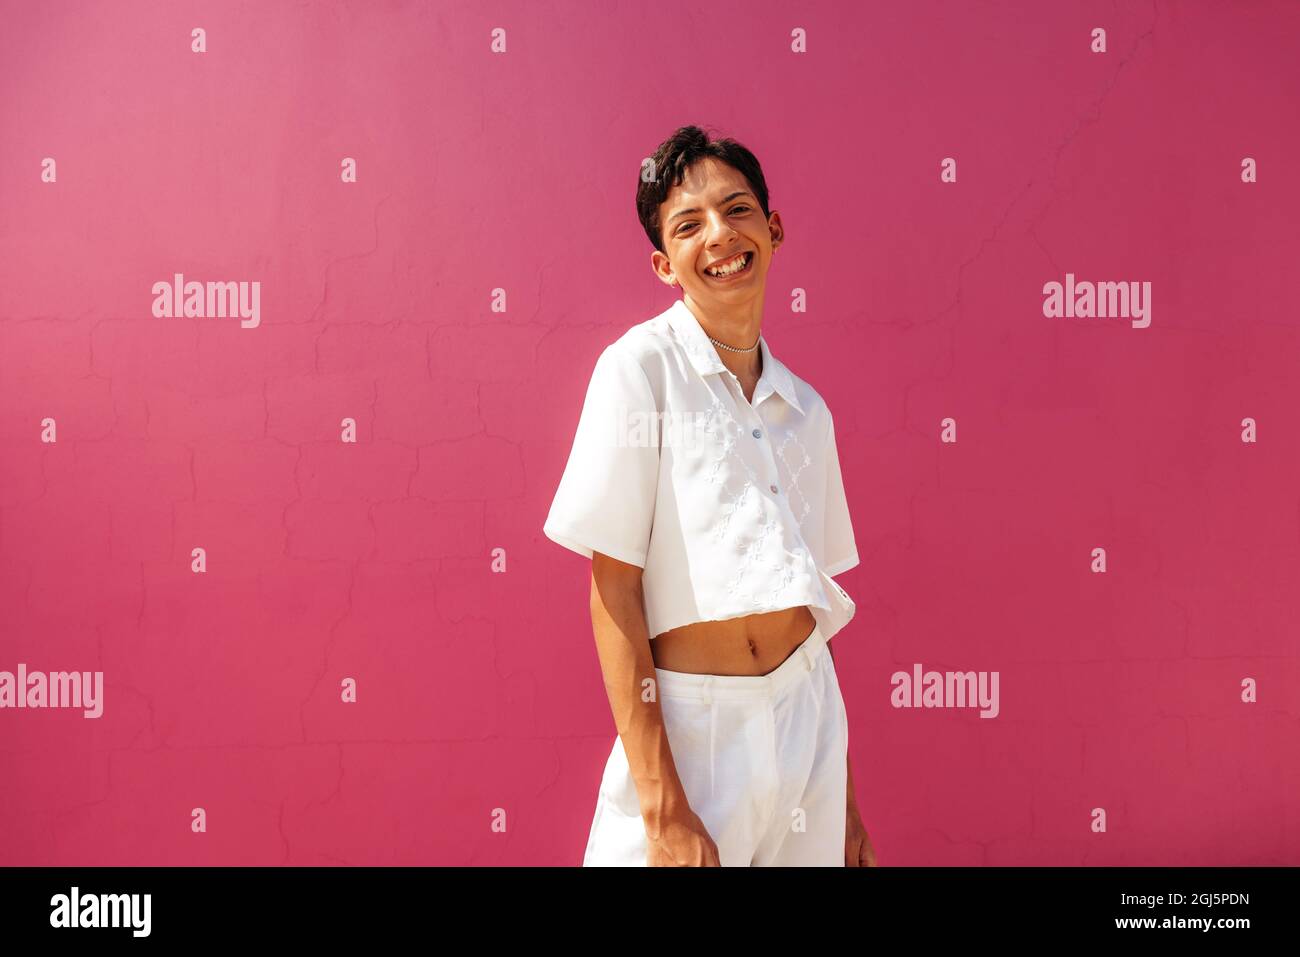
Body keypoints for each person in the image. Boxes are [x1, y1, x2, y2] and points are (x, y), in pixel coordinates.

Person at [543, 125, 877, 867]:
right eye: (689, 225)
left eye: (737, 209)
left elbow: (816, 615)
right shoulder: (638, 372)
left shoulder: (808, 410)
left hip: (806, 724)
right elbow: (614, 589)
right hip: (693, 730)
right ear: (665, 262)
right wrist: (663, 810)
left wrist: (845, 807)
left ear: (774, 225)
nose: (720, 235)